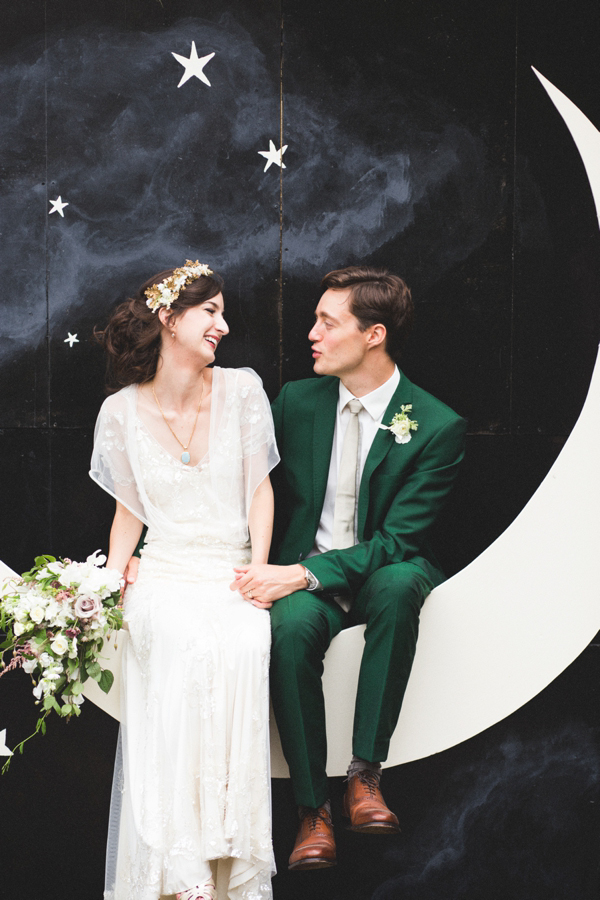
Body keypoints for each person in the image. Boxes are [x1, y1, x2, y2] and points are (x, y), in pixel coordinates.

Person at [231, 266, 466, 870]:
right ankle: (313, 811)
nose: (312, 333)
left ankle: (365, 776)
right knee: (287, 629)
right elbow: (241, 487)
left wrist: (301, 574)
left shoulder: (436, 426)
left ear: (373, 335)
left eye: (327, 323)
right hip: (304, 573)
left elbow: (397, 540)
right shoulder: (295, 401)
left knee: (398, 582)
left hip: (378, 570)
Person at [90, 261, 279, 900]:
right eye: (211, 313)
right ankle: (181, 869)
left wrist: (259, 565)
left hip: (230, 568)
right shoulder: (119, 413)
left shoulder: (243, 390)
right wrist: (113, 578)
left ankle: (225, 846)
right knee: (176, 643)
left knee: (245, 645)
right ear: (169, 318)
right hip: (165, 571)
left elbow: (260, 488)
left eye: (223, 314)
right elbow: (128, 513)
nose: (223, 326)